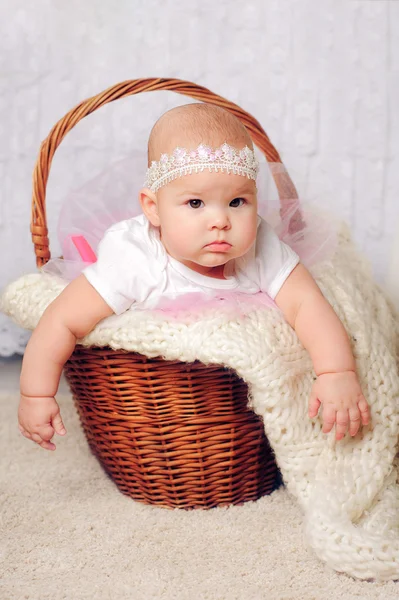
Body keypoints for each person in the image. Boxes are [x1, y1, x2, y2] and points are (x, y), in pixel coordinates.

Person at [18, 103, 370, 451]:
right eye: (196, 204)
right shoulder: (134, 260)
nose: (220, 220)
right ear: (153, 208)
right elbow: (61, 320)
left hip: (234, 420)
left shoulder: (261, 246)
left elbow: (307, 304)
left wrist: (336, 373)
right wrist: (36, 393)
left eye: (236, 202)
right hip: (159, 412)